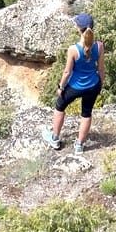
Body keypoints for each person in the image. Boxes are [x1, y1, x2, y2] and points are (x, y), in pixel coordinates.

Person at [43, 12, 105, 154]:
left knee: (60, 107)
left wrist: (61, 87)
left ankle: (55, 138)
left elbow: (67, 72)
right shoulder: (100, 46)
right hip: (93, 85)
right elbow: (101, 68)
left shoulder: (73, 49)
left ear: (79, 28)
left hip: (75, 86)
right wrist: (100, 84)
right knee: (86, 113)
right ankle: (79, 146)